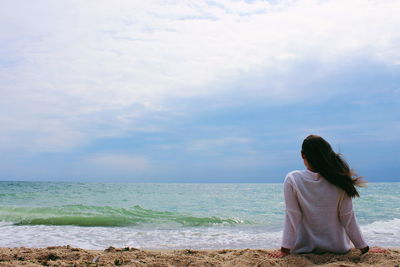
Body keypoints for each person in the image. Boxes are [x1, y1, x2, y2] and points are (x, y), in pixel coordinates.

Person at [270, 135, 386, 257]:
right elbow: (348, 218)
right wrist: (364, 248)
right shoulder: (340, 180)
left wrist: (285, 250)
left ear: (303, 155)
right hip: (337, 249)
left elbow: (292, 215)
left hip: (303, 248)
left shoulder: (293, 179)